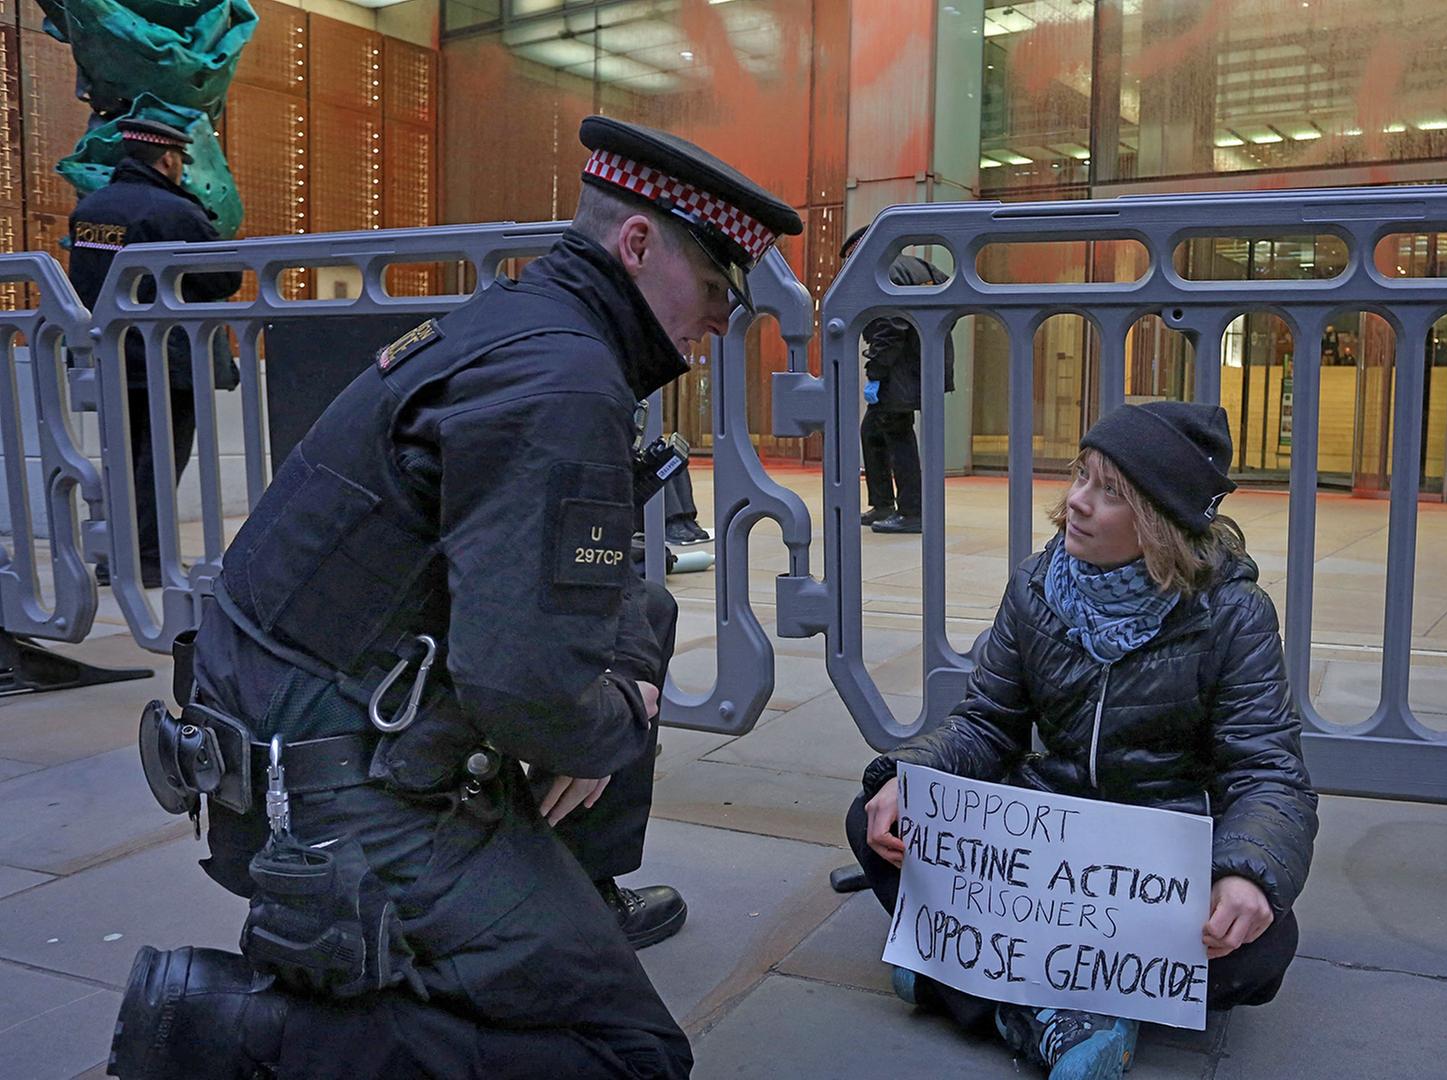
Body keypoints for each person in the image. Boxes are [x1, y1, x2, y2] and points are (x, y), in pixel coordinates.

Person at [108, 117, 802, 1079]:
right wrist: (613, 718)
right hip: (336, 797)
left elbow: (573, 614)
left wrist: (599, 701)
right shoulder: (565, 382)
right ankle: (230, 1030)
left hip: (282, 734)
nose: (726, 319)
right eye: (718, 289)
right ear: (637, 245)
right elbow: (523, 686)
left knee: (637, 621)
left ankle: (557, 900)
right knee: (629, 1055)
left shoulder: (517, 328)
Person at [847, 402, 1317, 1080]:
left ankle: (978, 988)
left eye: (1109, 491)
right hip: (1043, 843)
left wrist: (1247, 874)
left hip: (1155, 855)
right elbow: (986, 723)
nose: (1075, 502)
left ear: (1161, 521)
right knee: (879, 821)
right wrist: (909, 774)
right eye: (1080, 476)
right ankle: (1073, 1007)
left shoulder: (1231, 613)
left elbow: (1268, 771)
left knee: (1265, 944)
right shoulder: (1037, 587)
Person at [67, 117, 242, 588]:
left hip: (111, 354)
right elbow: (225, 277)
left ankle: (115, 557)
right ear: (168, 159)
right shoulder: (174, 211)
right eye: (181, 162)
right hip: (168, 359)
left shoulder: (92, 209)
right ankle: (146, 559)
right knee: (160, 463)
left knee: (121, 460)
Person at [844, 224, 953, 535]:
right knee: (873, 431)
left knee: (897, 433)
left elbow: (891, 325)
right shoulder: (918, 266)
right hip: (924, 362)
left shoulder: (885, 270)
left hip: (900, 368)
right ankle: (883, 503)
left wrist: (876, 372)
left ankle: (912, 511)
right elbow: (949, 297)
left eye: (851, 256)